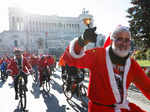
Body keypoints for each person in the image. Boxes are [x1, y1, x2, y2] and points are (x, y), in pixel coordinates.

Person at [62, 25, 150, 112]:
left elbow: (147, 87)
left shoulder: (131, 64)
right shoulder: (98, 54)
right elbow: (73, 58)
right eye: (119, 39)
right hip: (98, 109)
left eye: (127, 40)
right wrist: (82, 40)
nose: (123, 43)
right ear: (112, 41)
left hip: (122, 108)